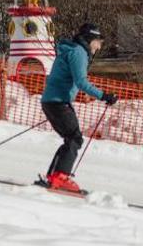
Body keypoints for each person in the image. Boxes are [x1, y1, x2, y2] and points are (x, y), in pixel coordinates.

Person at [39, 22, 118, 194]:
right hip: (58, 101)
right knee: (74, 139)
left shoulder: (74, 50)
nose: (99, 46)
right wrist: (104, 96)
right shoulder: (79, 53)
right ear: (90, 39)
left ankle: (55, 176)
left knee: (71, 139)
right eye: (98, 42)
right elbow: (81, 81)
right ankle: (60, 177)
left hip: (55, 101)